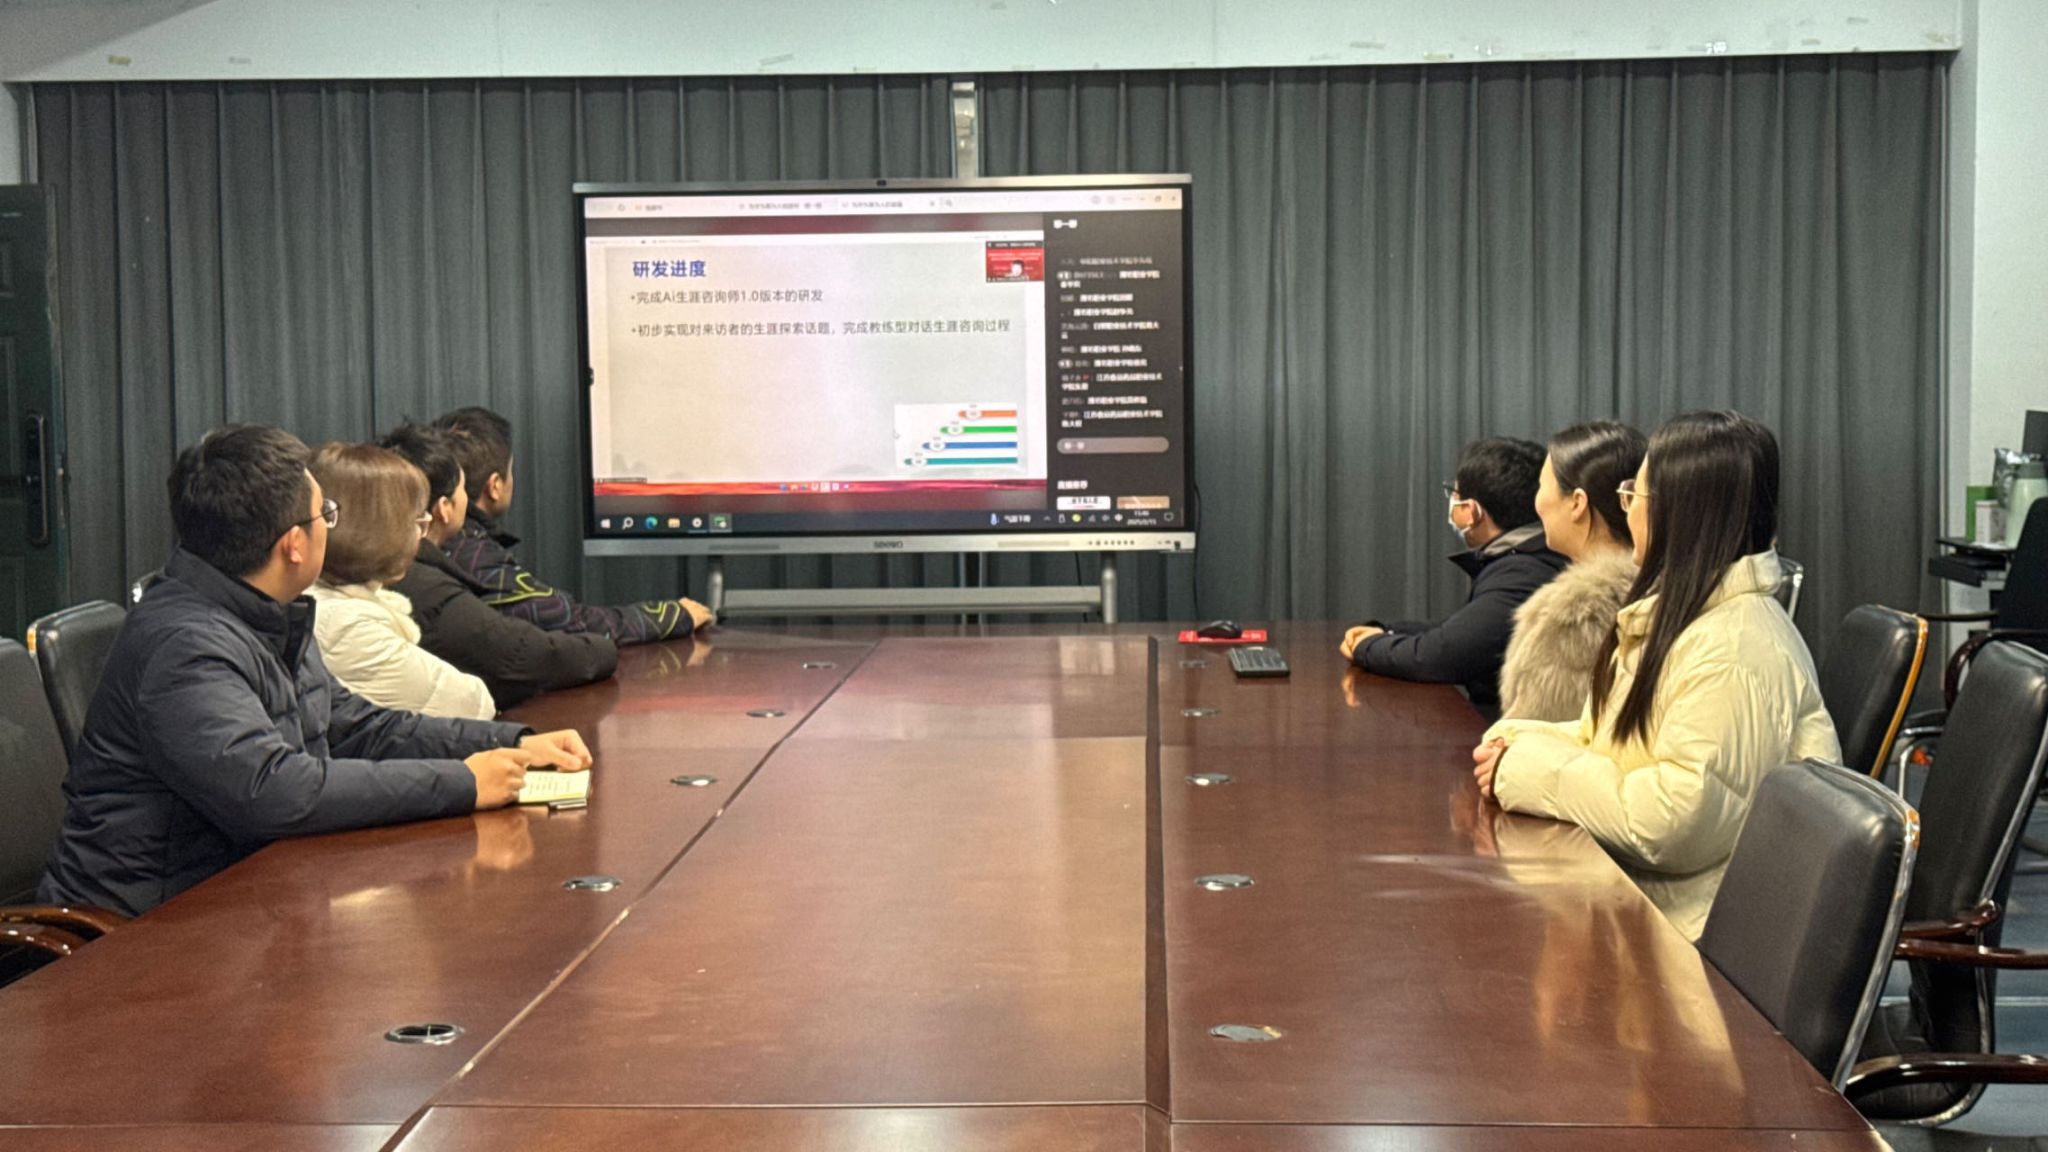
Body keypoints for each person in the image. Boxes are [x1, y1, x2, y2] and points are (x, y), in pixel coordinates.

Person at [37, 425, 592, 917]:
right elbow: (272, 790)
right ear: (294, 545)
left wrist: (511, 744)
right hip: (146, 930)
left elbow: (355, 726)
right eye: (326, 514)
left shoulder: (266, 611)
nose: (332, 525)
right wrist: (464, 783)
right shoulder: (185, 645)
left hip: (242, 899)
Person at [1473, 411, 1838, 941]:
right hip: (1651, 909)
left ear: (1679, 513)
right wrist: (1515, 743)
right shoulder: (1688, 616)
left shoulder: (1733, 651)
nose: (1627, 511)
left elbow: (1670, 820)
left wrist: (1534, 771)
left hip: (1694, 942)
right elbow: (1613, 743)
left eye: (1634, 495)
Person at [382, 423, 620, 709]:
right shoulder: (427, 587)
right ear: (444, 508)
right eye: (462, 490)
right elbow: (528, 655)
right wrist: (605, 649)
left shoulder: (380, 565)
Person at [434, 405, 712, 644]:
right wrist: (674, 616)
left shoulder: (439, 539)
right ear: (494, 486)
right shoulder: (472, 555)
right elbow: (569, 621)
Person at [1339, 437, 1565, 718]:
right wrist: (1387, 632)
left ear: (1473, 511)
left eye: (1455, 495)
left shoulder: (1522, 572)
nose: (1452, 503)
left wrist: (1366, 648)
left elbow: (1441, 656)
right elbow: (1460, 630)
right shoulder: (1523, 556)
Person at [306, 441, 497, 720]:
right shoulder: (346, 626)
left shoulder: (323, 601)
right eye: (415, 522)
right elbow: (472, 703)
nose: (418, 535)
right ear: (378, 530)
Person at [1497, 421, 1647, 721]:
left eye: (1542, 486)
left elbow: (1534, 729)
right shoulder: (1651, 587)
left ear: (1577, 503)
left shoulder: (1581, 613)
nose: (1538, 503)